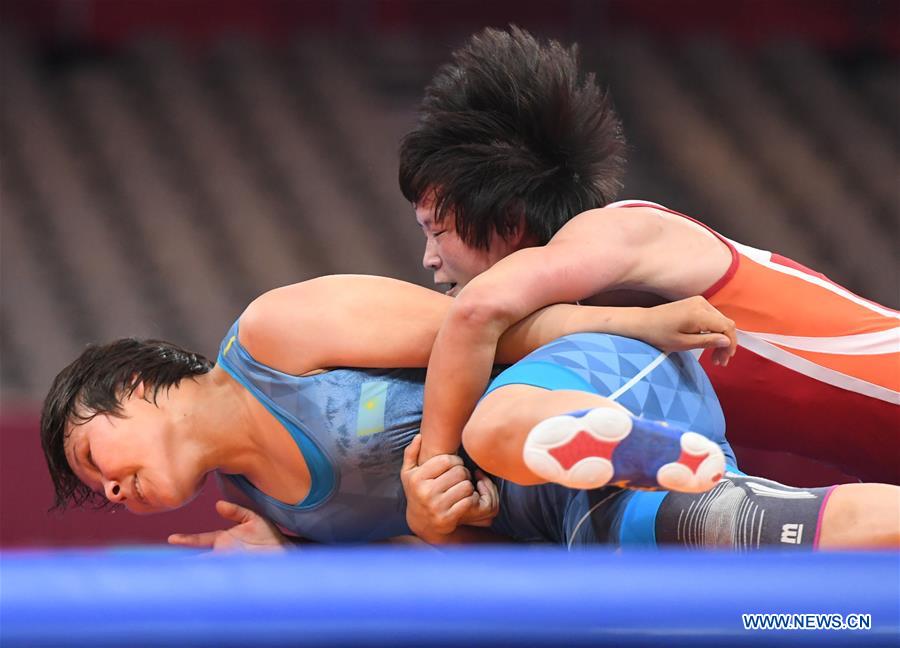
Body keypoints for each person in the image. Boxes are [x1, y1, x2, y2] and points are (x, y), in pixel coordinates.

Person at [41, 275, 898, 551]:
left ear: (136, 385)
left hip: (585, 372)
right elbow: (454, 539)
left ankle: (618, 446)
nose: (108, 494)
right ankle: (646, 468)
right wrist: (448, 520)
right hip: (558, 498)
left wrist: (634, 321)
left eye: (92, 460)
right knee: (763, 532)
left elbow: (486, 321)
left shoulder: (275, 337)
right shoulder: (277, 517)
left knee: (492, 429)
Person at [399, 26, 899, 487]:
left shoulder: (618, 228)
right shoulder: (586, 328)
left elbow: (475, 313)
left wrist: (435, 469)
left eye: (437, 231)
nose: (429, 259)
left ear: (508, 219)